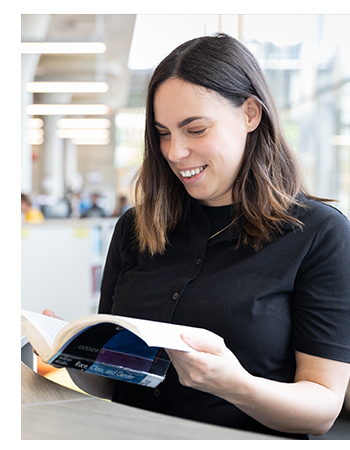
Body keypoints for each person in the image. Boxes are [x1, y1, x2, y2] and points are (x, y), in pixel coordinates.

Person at [45, 34, 350, 439]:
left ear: (250, 115)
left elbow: (321, 408)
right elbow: (111, 384)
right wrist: (73, 354)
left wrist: (235, 385)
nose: (173, 152)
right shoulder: (137, 228)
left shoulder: (319, 234)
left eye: (195, 129)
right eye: (163, 133)